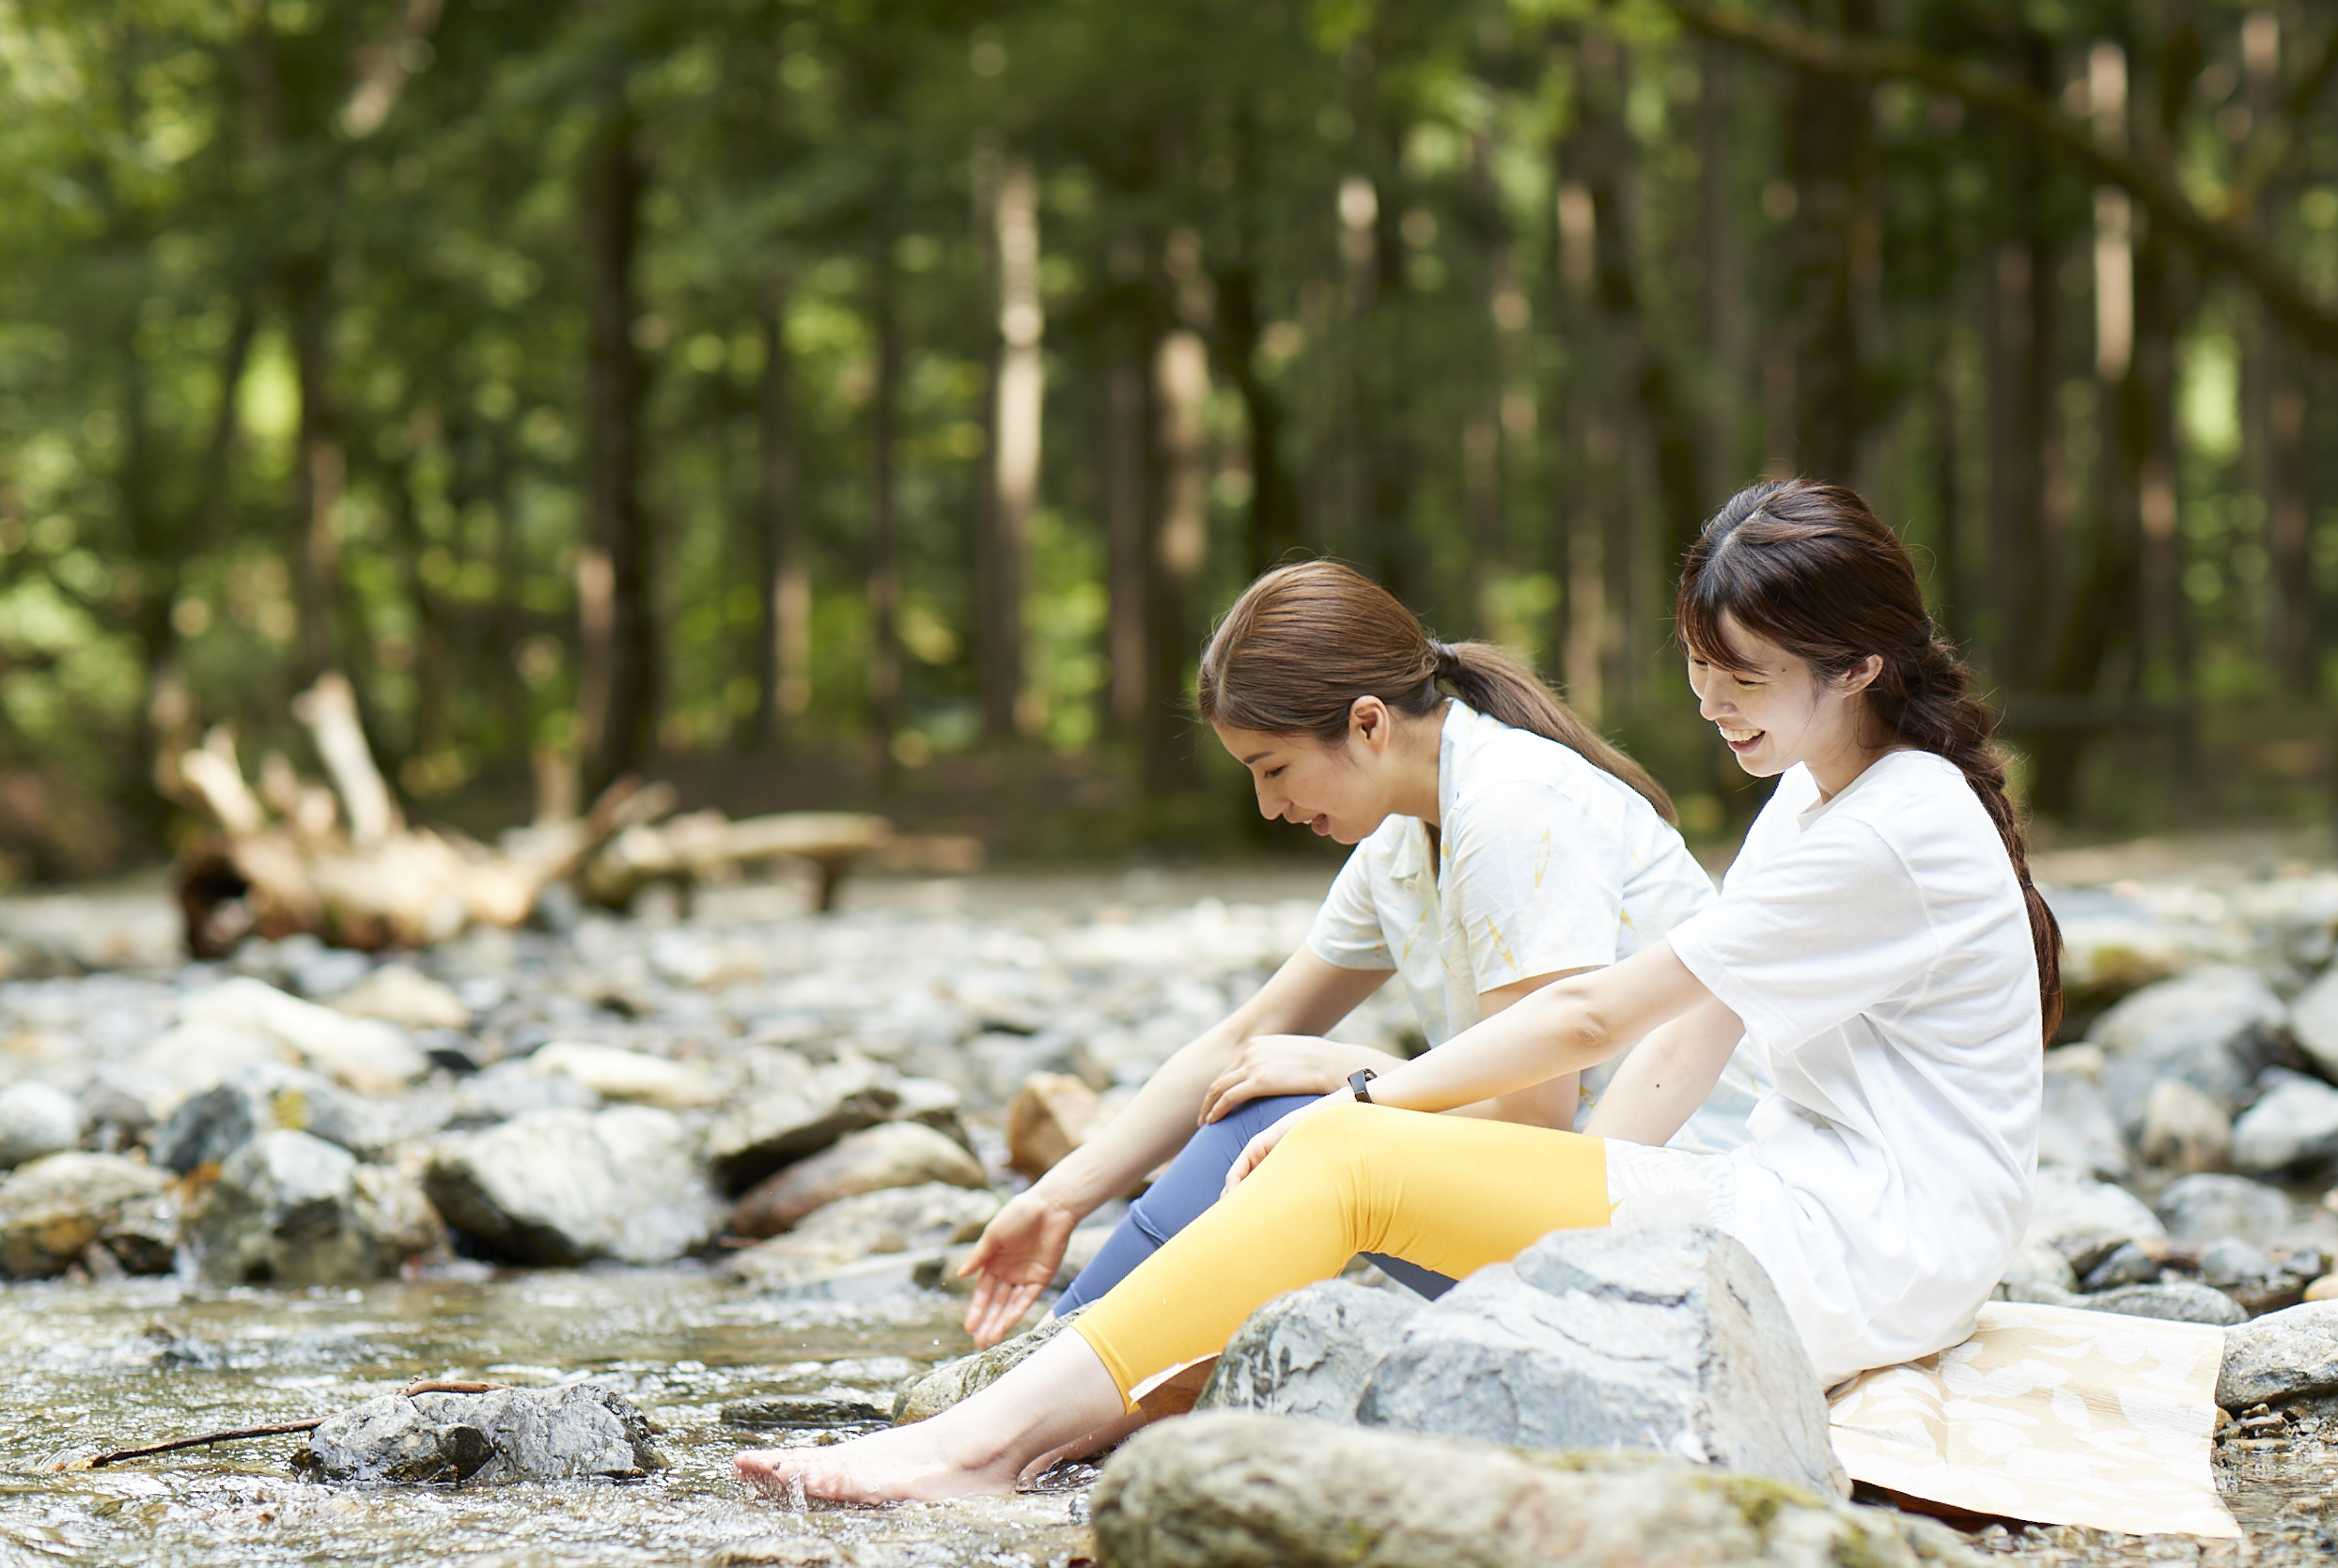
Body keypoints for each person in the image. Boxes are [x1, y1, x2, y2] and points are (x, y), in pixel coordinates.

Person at [735, 478, 2060, 1503]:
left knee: (1338, 1152)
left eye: (1746, 677)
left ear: (1860, 668)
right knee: (1313, 1136)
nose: (1713, 705)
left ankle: (979, 1444)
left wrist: (1373, 1099)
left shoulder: (1896, 820)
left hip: (1873, 1249)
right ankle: (1032, 1405)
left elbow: (1599, 1018)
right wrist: (1589, 1226)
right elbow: (1698, 1023)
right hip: (1810, 1210)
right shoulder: (1819, 800)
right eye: (1700, 670)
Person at [956, 558, 1761, 1347]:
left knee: (1286, 1119)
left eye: (1274, 768)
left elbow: (1531, 1120)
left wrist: (1354, 1079)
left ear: (1369, 723)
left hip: (1683, 1234)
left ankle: (1056, 1366)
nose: (1269, 806)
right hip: (1570, 1210)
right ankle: (1070, 1371)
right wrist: (1061, 1197)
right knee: (1267, 1097)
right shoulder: (1406, 837)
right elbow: (1247, 1038)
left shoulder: (1516, 807)